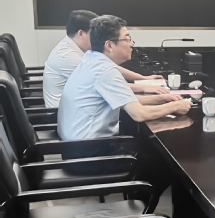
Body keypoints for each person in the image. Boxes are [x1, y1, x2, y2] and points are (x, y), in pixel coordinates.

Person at [58, 15, 192, 141]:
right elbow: (139, 114)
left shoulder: (91, 60)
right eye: (127, 39)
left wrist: (161, 99)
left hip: (76, 144)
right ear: (109, 45)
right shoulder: (105, 70)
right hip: (91, 149)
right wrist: (175, 106)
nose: (132, 43)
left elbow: (124, 100)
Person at [43, 9, 167, 108]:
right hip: (60, 114)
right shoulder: (67, 56)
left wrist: (143, 78)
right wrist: (144, 87)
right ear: (81, 33)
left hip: (75, 108)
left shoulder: (77, 48)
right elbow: (108, 84)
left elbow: (109, 67)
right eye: (93, 33)